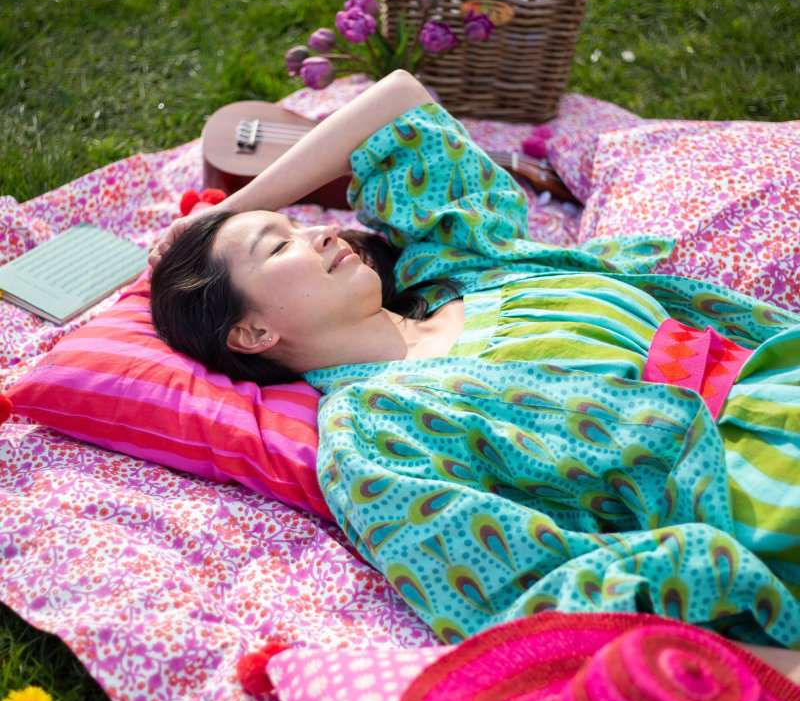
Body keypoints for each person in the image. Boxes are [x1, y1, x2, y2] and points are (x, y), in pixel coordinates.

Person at [150, 71, 800, 660]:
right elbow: (520, 585)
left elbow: (400, 98)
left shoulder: (461, 265)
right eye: (278, 245)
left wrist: (230, 210)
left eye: (298, 224)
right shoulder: (375, 433)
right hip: (750, 495)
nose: (323, 231)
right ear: (252, 331)